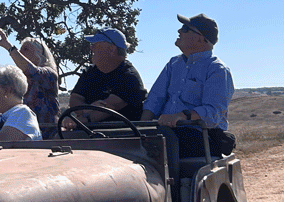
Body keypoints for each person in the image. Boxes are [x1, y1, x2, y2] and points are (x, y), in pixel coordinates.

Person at [141, 13, 234, 157]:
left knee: (165, 148)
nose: (179, 31)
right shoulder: (173, 64)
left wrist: (181, 116)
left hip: (199, 135)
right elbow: (154, 99)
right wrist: (141, 128)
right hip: (166, 132)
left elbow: (213, 113)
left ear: (201, 38)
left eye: (185, 29)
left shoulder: (217, 70)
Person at [0, 28, 60, 134]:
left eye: (26, 49)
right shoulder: (17, 78)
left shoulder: (49, 74)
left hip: (47, 134)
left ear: (40, 56)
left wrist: (8, 46)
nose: (20, 52)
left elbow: (32, 72)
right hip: (18, 132)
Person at [66, 28, 147, 126]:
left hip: (121, 135)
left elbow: (107, 109)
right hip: (91, 134)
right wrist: (89, 108)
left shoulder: (129, 77)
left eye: (96, 44)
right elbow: (74, 99)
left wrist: (84, 118)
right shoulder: (89, 72)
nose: (92, 48)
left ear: (111, 49)